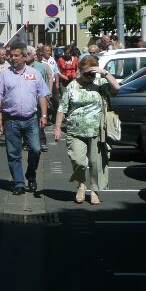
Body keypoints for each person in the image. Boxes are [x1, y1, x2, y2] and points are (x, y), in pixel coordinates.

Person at [53, 56, 120, 205]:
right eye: (87, 73)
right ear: (79, 71)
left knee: (96, 163)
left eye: (92, 74)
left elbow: (117, 88)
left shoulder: (100, 83)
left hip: (96, 130)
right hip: (75, 130)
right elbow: (62, 107)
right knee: (78, 161)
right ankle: (81, 185)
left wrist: (104, 73)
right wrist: (57, 127)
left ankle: (95, 191)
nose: (90, 77)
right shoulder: (72, 86)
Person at [0, 43, 50, 195]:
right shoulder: (4, 74)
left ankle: (31, 174)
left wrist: (44, 115)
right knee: (13, 153)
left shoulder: (34, 73)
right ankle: (19, 183)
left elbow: (42, 95)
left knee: (36, 149)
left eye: (16, 55)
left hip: (31, 119)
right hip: (11, 119)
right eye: (11, 55)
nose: (13, 58)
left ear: (24, 57)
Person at [27, 46, 52, 152]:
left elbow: (45, 82)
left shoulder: (41, 67)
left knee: (40, 119)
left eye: (28, 53)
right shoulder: (20, 67)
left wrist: (47, 95)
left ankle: (42, 141)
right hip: (27, 99)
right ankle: (27, 142)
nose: (26, 56)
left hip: (39, 98)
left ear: (33, 55)